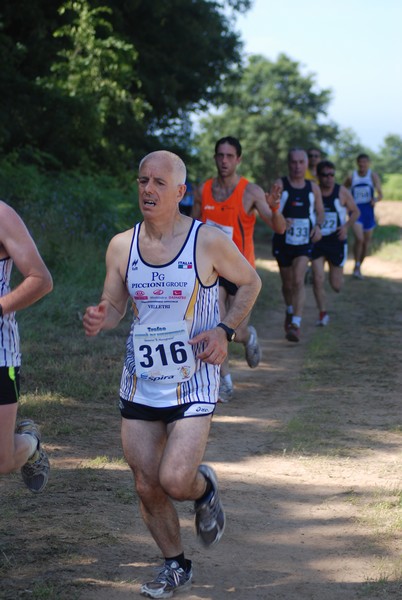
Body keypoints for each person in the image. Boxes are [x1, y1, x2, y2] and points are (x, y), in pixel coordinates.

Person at [83, 150, 261, 599]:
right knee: (146, 482)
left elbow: (251, 282)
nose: (148, 189)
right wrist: (100, 317)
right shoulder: (122, 244)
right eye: (143, 180)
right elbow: (116, 304)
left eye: (159, 182)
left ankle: (203, 488)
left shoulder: (208, 240)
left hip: (194, 373)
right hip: (142, 375)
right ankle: (175, 565)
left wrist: (225, 330)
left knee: (175, 480)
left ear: (181, 192)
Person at [192, 136, 285, 401]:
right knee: (216, 323)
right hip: (212, 272)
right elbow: (194, 229)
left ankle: (248, 336)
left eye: (229, 156)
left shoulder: (251, 192)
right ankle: (225, 382)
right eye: (220, 155)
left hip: (242, 274)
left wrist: (275, 207)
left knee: (236, 331)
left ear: (239, 159)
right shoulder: (204, 190)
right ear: (215, 158)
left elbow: (279, 228)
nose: (224, 161)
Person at [0, 201, 53, 493]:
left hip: (0, 353)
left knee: (1, 459)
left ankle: (30, 442)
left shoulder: (2, 216)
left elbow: (41, 279)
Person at [272, 148, 325, 342]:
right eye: (293, 162)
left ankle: (296, 323)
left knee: (298, 280)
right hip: (283, 241)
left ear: (307, 164)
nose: (297, 166)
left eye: (301, 162)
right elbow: (270, 209)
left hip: (304, 242)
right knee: (287, 284)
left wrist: (318, 227)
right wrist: (280, 218)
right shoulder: (280, 184)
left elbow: (320, 212)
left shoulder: (313, 188)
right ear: (289, 164)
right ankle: (289, 309)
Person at [312, 160, 360, 325]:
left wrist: (346, 227)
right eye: (325, 175)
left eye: (332, 174)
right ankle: (322, 313)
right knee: (317, 278)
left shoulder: (342, 191)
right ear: (318, 176)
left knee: (336, 285)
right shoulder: (313, 190)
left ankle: (338, 276)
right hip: (318, 241)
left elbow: (355, 211)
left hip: (336, 241)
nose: (329, 178)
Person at [344, 153, 383, 279]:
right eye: (360, 162)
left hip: (368, 212)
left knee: (366, 243)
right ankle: (356, 266)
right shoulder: (351, 177)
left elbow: (380, 195)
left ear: (368, 163)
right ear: (357, 163)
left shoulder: (373, 176)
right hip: (355, 212)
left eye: (365, 162)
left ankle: (358, 266)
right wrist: (346, 205)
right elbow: (341, 191)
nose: (362, 164)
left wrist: (375, 200)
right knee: (359, 239)